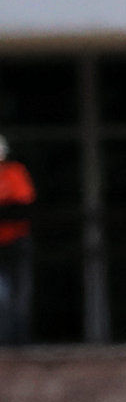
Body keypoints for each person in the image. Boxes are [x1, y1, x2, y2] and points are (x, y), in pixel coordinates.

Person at [0, 137, 34, 346]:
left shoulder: (14, 172)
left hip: (15, 242)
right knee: (2, 297)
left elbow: (22, 208)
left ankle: (18, 341)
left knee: (19, 294)